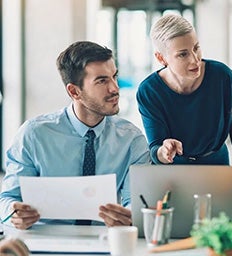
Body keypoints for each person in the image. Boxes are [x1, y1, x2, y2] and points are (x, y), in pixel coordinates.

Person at [0, 41, 150, 230]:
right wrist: (13, 213)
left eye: (114, 76)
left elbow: (134, 201)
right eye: (102, 81)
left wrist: (129, 215)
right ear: (74, 91)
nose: (115, 88)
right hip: (43, 238)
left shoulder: (131, 140)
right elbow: (8, 199)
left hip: (105, 238)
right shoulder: (34, 134)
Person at [136, 14, 232, 180]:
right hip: (173, 173)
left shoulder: (223, 77)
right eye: (183, 54)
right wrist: (164, 152)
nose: (195, 60)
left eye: (196, 48)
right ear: (161, 58)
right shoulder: (149, 91)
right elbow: (156, 147)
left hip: (217, 166)